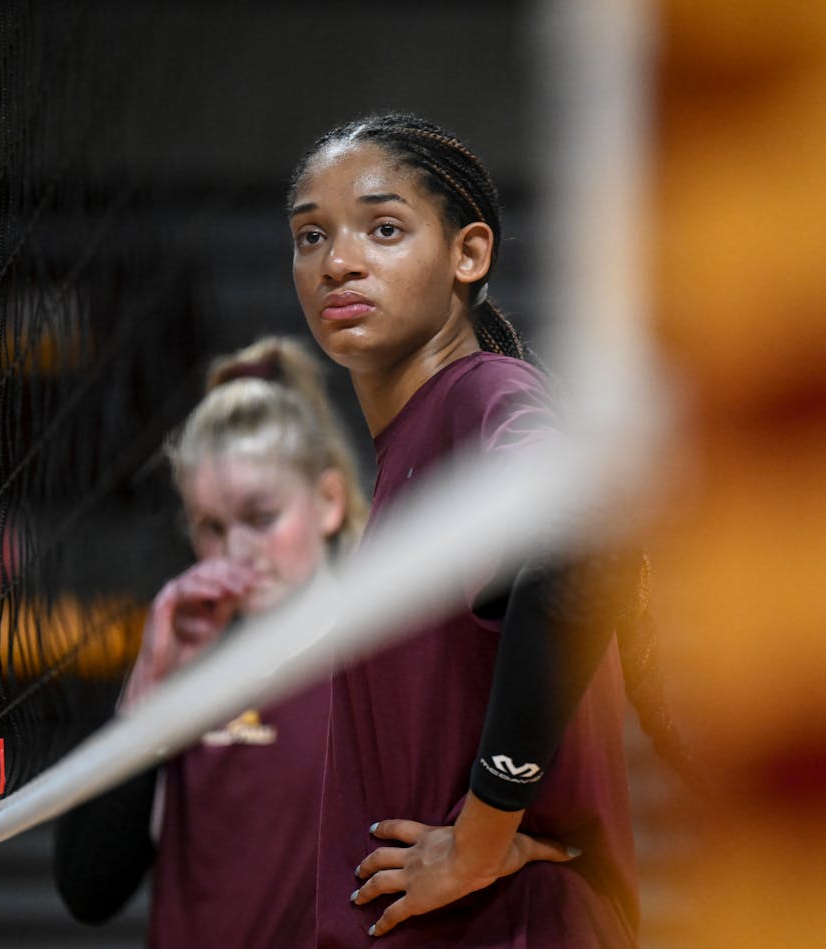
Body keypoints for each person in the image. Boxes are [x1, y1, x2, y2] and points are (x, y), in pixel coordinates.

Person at [287, 112, 689, 947]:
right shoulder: (417, 454)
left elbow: (583, 539)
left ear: (468, 255)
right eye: (310, 236)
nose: (338, 261)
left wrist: (479, 838)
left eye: (384, 227)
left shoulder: (484, 395)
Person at [53, 336, 369, 948]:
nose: (237, 552)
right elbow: (86, 889)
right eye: (212, 528)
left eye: (260, 517)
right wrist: (151, 685)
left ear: (327, 502)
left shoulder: (386, 661)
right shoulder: (182, 673)